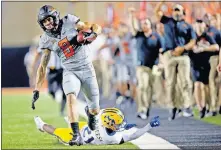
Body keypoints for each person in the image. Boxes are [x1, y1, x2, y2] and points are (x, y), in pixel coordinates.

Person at [32, 5, 102, 146]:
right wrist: (36, 88)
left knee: (95, 109)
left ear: (55, 16)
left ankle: (91, 113)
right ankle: (76, 135)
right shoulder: (46, 39)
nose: (48, 23)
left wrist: (94, 34)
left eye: (49, 19)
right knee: (70, 97)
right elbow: (43, 66)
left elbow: (94, 26)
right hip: (70, 70)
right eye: (44, 21)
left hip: (87, 68)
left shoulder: (70, 21)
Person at [155, 2, 196, 120]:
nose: (176, 12)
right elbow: (156, 12)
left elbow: (193, 41)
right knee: (170, 83)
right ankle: (173, 107)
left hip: (183, 55)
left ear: (183, 13)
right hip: (169, 54)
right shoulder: (167, 21)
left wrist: (183, 48)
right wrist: (161, 2)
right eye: (174, 10)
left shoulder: (188, 26)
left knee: (185, 82)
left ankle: (187, 106)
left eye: (178, 10)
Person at [34, 107, 160, 145]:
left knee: (73, 120)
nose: (120, 124)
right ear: (109, 124)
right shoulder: (112, 138)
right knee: (56, 130)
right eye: (117, 123)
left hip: (85, 128)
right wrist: (148, 126)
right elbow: (134, 135)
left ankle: (43, 125)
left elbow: (95, 117)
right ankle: (41, 125)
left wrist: (90, 114)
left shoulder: (101, 119)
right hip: (78, 138)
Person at [129, 8, 164, 119]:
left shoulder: (156, 37)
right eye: (142, 24)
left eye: (146, 23)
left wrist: (161, 64)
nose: (144, 25)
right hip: (141, 66)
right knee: (142, 86)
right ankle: (142, 109)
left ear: (150, 25)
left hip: (153, 66)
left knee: (149, 89)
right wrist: (132, 16)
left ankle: (147, 108)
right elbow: (133, 28)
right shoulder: (139, 34)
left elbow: (161, 51)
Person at [191, 19, 219, 118]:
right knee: (197, 85)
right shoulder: (191, 36)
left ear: (204, 27)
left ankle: (208, 106)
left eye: (201, 26)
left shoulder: (207, 36)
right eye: (197, 26)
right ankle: (200, 108)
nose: (199, 28)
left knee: (206, 86)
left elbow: (216, 47)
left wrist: (203, 48)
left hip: (205, 64)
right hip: (195, 64)